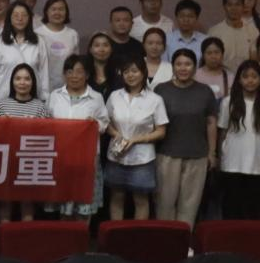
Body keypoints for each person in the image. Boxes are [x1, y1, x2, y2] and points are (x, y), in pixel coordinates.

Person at [154, 48, 218, 226]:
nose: (183, 68)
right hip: (167, 154)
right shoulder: (161, 90)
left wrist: (212, 152)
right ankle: (166, 238)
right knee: (164, 203)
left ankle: (184, 238)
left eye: (188, 64)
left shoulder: (205, 91)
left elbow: (211, 122)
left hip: (197, 154)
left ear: (195, 67)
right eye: (179, 64)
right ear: (173, 66)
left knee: (190, 205)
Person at [46, 55, 110, 222]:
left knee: (83, 209)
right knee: (63, 206)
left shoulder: (96, 97)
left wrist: (94, 124)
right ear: (64, 74)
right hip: (60, 158)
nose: (74, 76)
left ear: (87, 75)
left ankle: (81, 237)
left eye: (79, 72)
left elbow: (104, 123)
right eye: (69, 71)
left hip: (86, 159)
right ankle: (65, 236)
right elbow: (46, 123)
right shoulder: (55, 96)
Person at [217, 60, 260, 220]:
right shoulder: (228, 102)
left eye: (254, 76)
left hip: (257, 165)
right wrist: (220, 157)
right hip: (231, 165)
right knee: (231, 209)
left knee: (253, 210)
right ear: (239, 80)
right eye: (245, 77)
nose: (250, 80)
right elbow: (223, 132)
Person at [105, 59, 168, 220]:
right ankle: (115, 233)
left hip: (142, 159)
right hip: (116, 156)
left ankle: (138, 234)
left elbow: (161, 131)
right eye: (126, 72)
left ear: (143, 73)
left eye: (134, 71)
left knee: (141, 200)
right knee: (116, 197)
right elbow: (106, 123)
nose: (130, 75)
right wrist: (117, 135)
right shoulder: (115, 96)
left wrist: (136, 139)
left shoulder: (155, 99)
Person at [0, 63, 47, 223]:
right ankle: (3, 236)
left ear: (33, 82)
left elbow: (47, 136)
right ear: (12, 81)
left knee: (27, 203)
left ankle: (27, 237)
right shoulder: (1, 105)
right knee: (5, 203)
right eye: (18, 78)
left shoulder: (40, 107)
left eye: (27, 79)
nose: (22, 82)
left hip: (29, 161)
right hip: (6, 161)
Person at [0, 2, 46, 106]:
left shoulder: (38, 41)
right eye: (16, 15)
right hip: (3, 100)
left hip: (32, 101)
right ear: (9, 18)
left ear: (29, 18)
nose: (20, 19)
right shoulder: (0, 42)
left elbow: (44, 73)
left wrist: (44, 97)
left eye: (24, 15)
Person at [37, 0, 79, 95]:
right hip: (42, 88)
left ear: (66, 12)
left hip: (67, 89)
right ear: (46, 12)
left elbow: (75, 63)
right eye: (53, 9)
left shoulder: (72, 34)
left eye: (61, 9)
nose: (57, 13)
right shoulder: (37, 33)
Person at [207, 0, 259, 73]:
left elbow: (254, 59)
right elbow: (210, 59)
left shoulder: (253, 30)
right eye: (230, 5)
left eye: (237, 5)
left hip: (245, 76)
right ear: (224, 7)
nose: (234, 8)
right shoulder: (214, 32)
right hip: (221, 75)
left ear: (243, 7)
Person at [87, 32, 116, 99]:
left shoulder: (118, 75)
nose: (101, 49)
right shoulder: (84, 74)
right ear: (90, 50)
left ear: (111, 49)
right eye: (97, 45)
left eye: (105, 45)